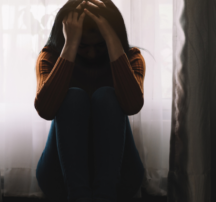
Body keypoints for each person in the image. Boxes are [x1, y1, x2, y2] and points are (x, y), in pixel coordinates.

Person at [34, 0, 146, 202]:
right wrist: (69, 46)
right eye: (84, 46)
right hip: (60, 178)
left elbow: (132, 106)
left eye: (100, 45)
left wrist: (112, 39)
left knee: (107, 96)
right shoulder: (49, 57)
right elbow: (45, 110)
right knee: (73, 97)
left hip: (120, 178)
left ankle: (105, 195)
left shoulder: (131, 57)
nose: (92, 53)